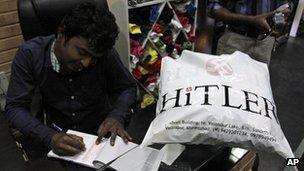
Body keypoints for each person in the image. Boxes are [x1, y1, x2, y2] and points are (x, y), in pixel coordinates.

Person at [4, 2, 137, 157]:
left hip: (101, 135)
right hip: (58, 134)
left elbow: (127, 87)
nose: (86, 63)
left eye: (94, 58)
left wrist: (116, 115)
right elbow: (14, 108)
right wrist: (49, 137)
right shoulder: (30, 54)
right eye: (81, 52)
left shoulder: (103, 52)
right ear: (61, 34)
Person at [208, 0, 291, 65]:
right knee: (227, 82)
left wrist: (284, 11)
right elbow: (213, 8)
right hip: (235, 40)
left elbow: (284, 5)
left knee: (256, 83)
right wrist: (251, 20)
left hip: (265, 42)